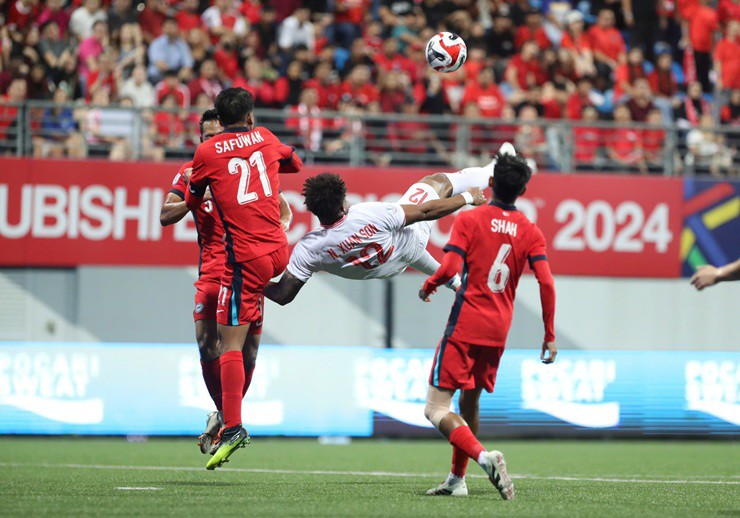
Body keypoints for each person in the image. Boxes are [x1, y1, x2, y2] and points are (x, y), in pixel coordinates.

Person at [419, 151, 556, 500]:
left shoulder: (471, 219)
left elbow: (449, 268)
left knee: (435, 408)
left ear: (491, 182)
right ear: (523, 190)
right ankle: (456, 479)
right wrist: (549, 334)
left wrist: (430, 285)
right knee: (470, 403)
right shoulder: (530, 230)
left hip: (466, 322)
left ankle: (484, 457)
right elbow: (546, 282)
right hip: (498, 331)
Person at [160, 108, 292, 456]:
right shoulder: (191, 171)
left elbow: (283, 207)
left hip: (245, 266)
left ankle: (223, 416)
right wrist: (195, 198)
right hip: (212, 273)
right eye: (207, 136)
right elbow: (165, 214)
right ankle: (228, 418)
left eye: (217, 133)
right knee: (208, 344)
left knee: (247, 352)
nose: (213, 140)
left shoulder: (245, 164)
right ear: (201, 139)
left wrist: (281, 226)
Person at [184, 88, 302, 470]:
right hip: (278, 251)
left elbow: (193, 197)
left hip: (244, 258)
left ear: (219, 118)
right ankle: (226, 418)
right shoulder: (266, 137)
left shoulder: (205, 153)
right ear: (250, 116)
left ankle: (231, 426)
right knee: (244, 344)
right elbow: (295, 164)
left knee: (226, 344)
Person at [263, 146, 519, 305]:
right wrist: (466, 198)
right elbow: (424, 211)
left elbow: (283, 295)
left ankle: (455, 284)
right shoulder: (367, 213)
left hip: (386, 268)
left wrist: (251, 282)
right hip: (405, 244)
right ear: (342, 204)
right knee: (436, 182)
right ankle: (496, 167)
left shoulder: (309, 248)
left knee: (407, 247)